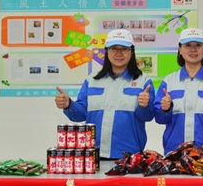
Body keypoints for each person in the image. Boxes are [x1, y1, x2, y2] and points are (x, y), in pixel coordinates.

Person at [54, 29, 154, 159]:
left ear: (131, 51)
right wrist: (69, 105)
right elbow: (80, 115)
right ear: (107, 51)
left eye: (124, 48)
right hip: (94, 154)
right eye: (114, 48)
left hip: (129, 156)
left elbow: (147, 116)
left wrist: (144, 106)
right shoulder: (92, 80)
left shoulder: (143, 81)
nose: (119, 53)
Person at [154, 28, 203, 153]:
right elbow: (159, 118)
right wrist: (165, 109)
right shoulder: (169, 81)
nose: (193, 49)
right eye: (188, 45)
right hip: (175, 152)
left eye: (198, 45)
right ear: (180, 50)